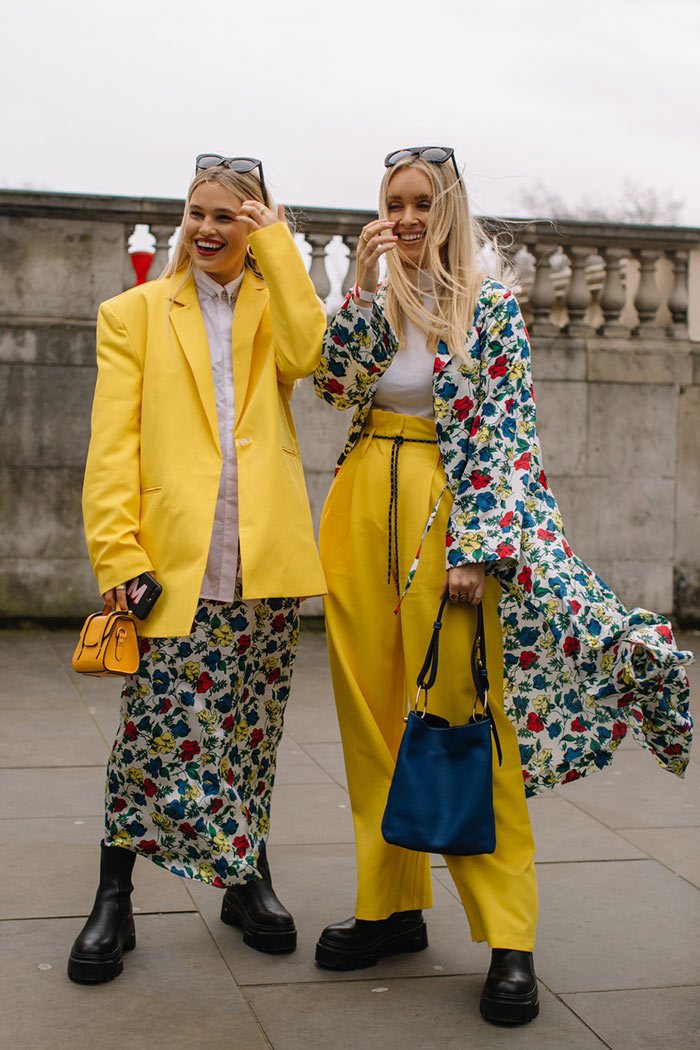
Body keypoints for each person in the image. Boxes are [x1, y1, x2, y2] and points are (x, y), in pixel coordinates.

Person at [313, 146, 693, 1025]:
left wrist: (479, 548)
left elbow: (506, 439)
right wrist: (364, 288)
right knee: (369, 719)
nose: (405, 217)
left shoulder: (488, 305)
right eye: (392, 203)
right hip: (362, 504)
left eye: (420, 203)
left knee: (463, 723)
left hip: (449, 519)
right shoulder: (375, 297)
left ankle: (510, 937)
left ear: (448, 208)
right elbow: (333, 387)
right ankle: (390, 906)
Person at [68, 155, 327, 984]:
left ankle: (246, 881)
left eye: (230, 215)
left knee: (251, 735)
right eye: (198, 212)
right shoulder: (134, 313)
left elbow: (311, 357)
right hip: (172, 566)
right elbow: (111, 449)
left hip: (266, 560)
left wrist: (279, 245)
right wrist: (119, 552)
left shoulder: (272, 304)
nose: (209, 229)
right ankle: (115, 896)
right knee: (155, 735)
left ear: (254, 222)